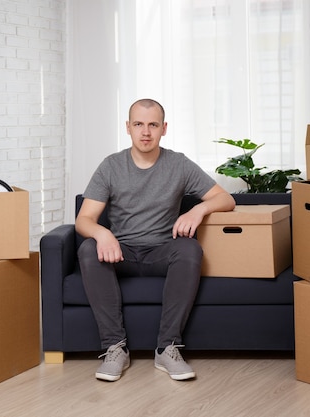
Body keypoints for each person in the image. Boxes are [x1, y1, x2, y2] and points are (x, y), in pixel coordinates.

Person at [75, 98, 236, 382]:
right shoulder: (111, 166)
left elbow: (226, 198)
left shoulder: (179, 164)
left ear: (164, 128)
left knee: (189, 249)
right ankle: (115, 348)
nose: (145, 132)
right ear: (128, 127)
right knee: (89, 248)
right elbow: (84, 219)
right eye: (138, 124)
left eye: (152, 125)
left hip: (162, 252)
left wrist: (199, 209)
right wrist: (103, 233)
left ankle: (167, 348)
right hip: (121, 254)